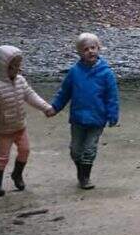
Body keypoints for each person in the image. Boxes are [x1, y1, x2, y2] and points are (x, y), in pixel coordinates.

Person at [0, 45, 54, 197]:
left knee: (25, 151)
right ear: (3, 67)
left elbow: (31, 96)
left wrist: (46, 107)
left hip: (20, 126)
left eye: (19, 66)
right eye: (13, 66)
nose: (17, 69)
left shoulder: (21, 81)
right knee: (3, 157)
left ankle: (17, 174)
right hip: (4, 130)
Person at [50, 32, 120, 190]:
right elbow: (64, 92)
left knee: (89, 149)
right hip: (78, 118)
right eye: (86, 49)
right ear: (80, 52)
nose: (90, 51)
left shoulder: (106, 73)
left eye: (93, 48)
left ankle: (85, 177)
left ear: (99, 49)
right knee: (75, 150)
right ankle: (80, 170)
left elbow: (112, 96)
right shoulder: (74, 72)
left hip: (97, 118)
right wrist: (55, 107)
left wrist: (112, 115)